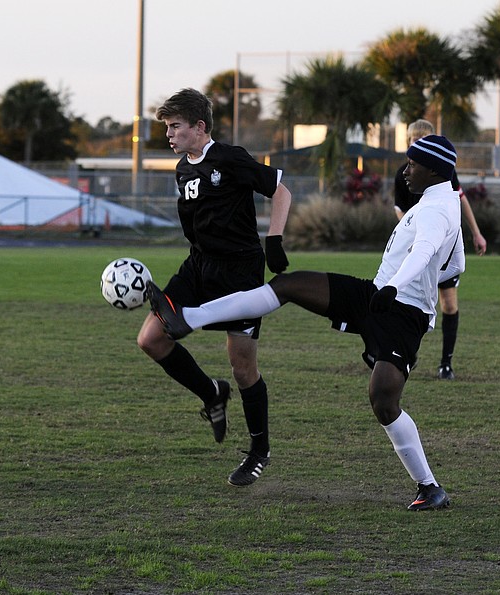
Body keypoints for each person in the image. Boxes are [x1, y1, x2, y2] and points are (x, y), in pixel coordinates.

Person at [148, 135, 463, 511]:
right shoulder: (438, 202)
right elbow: (456, 263)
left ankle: (430, 487)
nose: (405, 170)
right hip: (377, 295)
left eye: (412, 164)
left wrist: (398, 286)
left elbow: (426, 250)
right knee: (288, 286)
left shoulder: (436, 210)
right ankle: (188, 316)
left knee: (383, 400)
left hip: (400, 311)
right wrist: (407, 283)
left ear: (434, 169)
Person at [137, 88, 292, 487]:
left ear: (199, 127)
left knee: (243, 367)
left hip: (240, 272)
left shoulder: (229, 158)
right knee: (151, 339)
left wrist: (273, 239)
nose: (169, 135)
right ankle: (211, 393)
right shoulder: (182, 169)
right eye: (167, 127)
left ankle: (259, 450)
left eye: (175, 127)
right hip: (197, 266)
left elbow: (281, 191)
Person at [394, 119, 487, 380]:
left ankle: (446, 363)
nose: (421, 143)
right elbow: (400, 211)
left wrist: (476, 233)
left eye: (426, 138)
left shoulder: (442, 171)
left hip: (443, 249)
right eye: (416, 139)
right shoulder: (404, 173)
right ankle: (404, 356)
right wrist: (417, 232)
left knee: (448, 303)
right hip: (417, 248)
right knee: (406, 301)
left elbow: (460, 199)